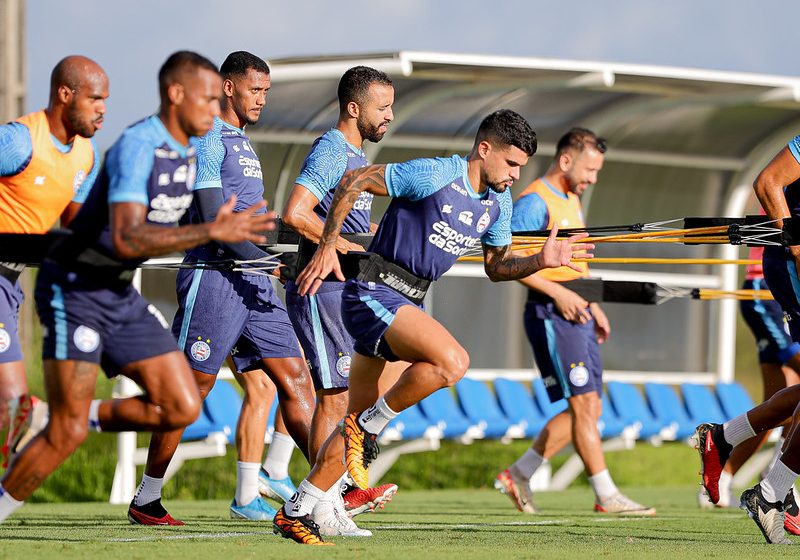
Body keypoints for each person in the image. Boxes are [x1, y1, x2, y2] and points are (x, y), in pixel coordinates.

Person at [272, 109, 592, 545]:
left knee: (350, 423)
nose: (517, 174)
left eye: (521, 166)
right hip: (373, 293)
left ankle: (303, 505)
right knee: (452, 362)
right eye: (512, 163)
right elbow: (353, 181)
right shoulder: (435, 173)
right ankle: (371, 425)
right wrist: (328, 244)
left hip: (404, 300)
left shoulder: (498, 203)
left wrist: (543, 260)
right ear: (484, 149)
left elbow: (496, 267)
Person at [0, 50, 273, 524]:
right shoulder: (137, 145)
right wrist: (211, 231)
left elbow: (80, 223)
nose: (215, 110)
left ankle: (58, 416)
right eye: (207, 100)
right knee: (64, 438)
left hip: (119, 291)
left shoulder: (189, 151)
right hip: (77, 291)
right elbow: (126, 235)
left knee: (181, 405)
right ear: (176, 95)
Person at [128, 51, 315, 525]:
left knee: (296, 380)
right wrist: (271, 261)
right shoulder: (210, 136)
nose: (262, 100)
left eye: (266, 92)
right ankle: (147, 497)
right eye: (255, 90)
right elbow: (214, 219)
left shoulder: (245, 143)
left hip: (255, 283)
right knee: (192, 392)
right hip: (215, 279)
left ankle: (326, 492)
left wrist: (274, 257)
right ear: (227, 87)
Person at [494, 128, 654, 516]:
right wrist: (561, 295)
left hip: (578, 311)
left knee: (591, 408)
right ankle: (606, 494)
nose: (594, 179)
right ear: (565, 160)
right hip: (551, 313)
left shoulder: (572, 198)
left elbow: (575, 263)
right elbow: (506, 263)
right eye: (590, 170)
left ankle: (520, 473)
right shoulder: (534, 202)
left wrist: (591, 302)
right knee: (584, 405)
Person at [282, 66, 400, 529]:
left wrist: (379, 241)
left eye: (391, 106)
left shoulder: (355, 155)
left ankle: (328, 497)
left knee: (344, 394)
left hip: (343, 290)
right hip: (317, 286)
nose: (390, 115)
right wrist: (346, 246)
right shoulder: (333, 149)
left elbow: (349, 226)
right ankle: (319, 503)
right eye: (383, 107)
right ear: (354, 109)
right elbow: (296, 212)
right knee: (333, 396)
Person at [0, 56, 108, 465]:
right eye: (95, 98)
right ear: (65, 95)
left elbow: (75, 231)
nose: (103, 109)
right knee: (16, 409)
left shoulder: (86, 154)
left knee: (15, 420)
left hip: (12, 283)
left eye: (106, 100)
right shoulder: (19, 141)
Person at [697, 132, 800, 544]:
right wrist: (797, 249)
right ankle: (772, 491)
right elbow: (767, 183)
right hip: (789, 266)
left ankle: (724, 439)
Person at [699, 242, 800, 514]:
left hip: (779, 287)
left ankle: (732, 458)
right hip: (768, 289)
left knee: (787, 399)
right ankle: (777, 482)